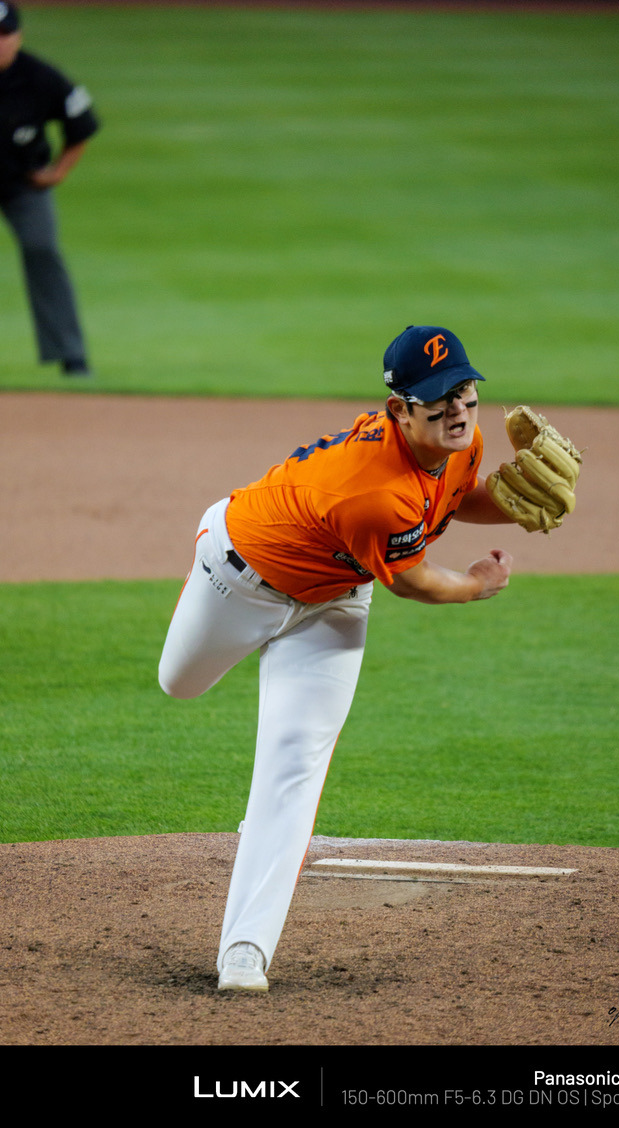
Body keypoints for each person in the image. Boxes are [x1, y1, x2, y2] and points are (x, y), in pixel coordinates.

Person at [158, 324, 515, 992]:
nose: (458, 409)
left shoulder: (462, 442)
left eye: (465, 391)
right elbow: (413, 580)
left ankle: (245, 949)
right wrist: (476, 584)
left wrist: (517, 506)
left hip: (334, 600)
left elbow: (451, 497)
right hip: (238, 577)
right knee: (177, 683)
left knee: (295, 763)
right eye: (439, 399)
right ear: (399, 409)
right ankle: (208, 535)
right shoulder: (371, 493)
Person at [0, 2, 99, 377]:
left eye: (4, 35)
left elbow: (82, 124)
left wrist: (58, 171)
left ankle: (70, 354)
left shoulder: (41, 78)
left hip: (22, 183)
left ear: (18, 36)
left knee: (42, 248)